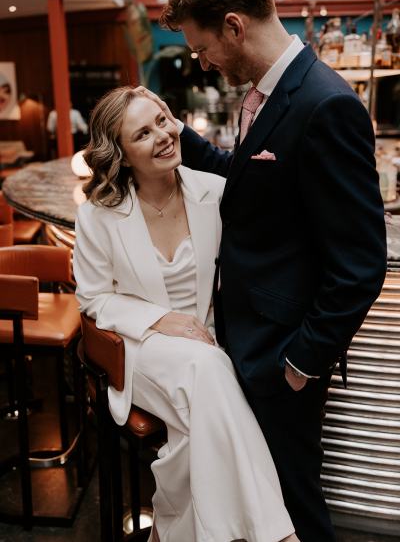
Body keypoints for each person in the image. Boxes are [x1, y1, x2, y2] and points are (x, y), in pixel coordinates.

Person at [137, 0, 388, 541]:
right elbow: (254, 181)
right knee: (265, 500)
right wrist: (181, 140)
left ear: (234, 24)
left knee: (294, 504)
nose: (201, 64)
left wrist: (300, 364)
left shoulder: (325, 105)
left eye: (202, 49)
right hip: (248, 343)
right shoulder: (267, 95)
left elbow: (360, 264)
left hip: (281, 357)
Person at [73, 86, 299, 542]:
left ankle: (171, 533)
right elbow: (93, 299)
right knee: (211, 367)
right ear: (120, 154)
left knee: (201, 428)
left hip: (206, 339)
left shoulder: (214, 192)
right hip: (143, 347)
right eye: (142, 133)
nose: (162, 135)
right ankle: (278, 535)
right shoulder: (99, 215)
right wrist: (160, 320)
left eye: (162, 121)